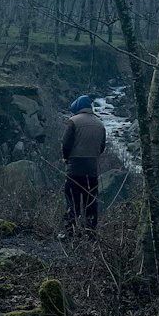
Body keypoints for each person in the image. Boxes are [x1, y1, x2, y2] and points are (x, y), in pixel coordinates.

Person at [61, 94, 107, 236]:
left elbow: (66, 145)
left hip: (75, 169)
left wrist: (65, 158)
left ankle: (69, 232)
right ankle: (90, 233)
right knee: (90, 203)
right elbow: (102, 147)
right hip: (91, 170)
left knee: (72, 202)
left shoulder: (72, 121)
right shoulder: (100, 124)